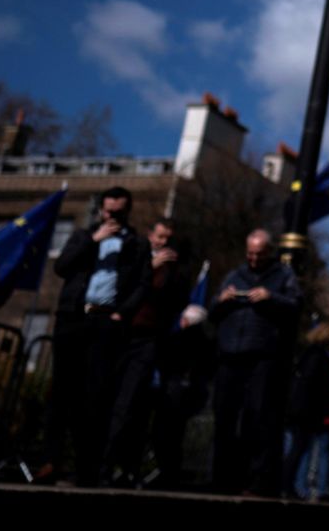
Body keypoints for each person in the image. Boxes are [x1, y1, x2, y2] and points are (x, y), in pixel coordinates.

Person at [44, 186, 151, 486]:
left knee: (95, 396)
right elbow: (62, 267)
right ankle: (50, 460)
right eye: (108, 211)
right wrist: (93, 241)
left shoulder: (137, 244)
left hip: (106, 322)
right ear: (100, 210)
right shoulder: (83, 236)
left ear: (127, 211)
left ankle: (85, 467)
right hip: (73, 319)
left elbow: (143, 284)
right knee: (61, 391)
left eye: (118, 212)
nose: (112, 216)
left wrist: (122, 313)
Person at [210, 229, 301, 496]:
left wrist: (270, 297)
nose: (253, 259)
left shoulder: (283, 275)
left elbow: (295, 307)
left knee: (258, 417)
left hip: (263, 355)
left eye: (259, 254)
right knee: (224, 416)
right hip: (230, 353)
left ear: (269, 252)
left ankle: (257, 480)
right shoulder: (234, 275)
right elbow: (213, 311)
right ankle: (222, 477)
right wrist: (222, 300)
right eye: (250, 253)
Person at [105, 217, 188, 485]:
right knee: (109, 398)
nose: (163, 243)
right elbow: (121, 287)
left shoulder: (175, 271)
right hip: (122, 334)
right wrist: (149, 269)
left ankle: (122, 466)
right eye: (159, 237)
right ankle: (102, 462)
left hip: (149, 340)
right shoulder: (135, 258)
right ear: (150, 235)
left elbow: (176, 301)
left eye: (168, 239)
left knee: (131, 404)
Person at [147, 303, 216, 490]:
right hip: (192, 396)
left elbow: (163, 359)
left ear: (185, 321)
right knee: (177, 435)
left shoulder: (178, 340)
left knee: (165, 434)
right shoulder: (208, 343)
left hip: (173, 394)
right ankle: (172, 474)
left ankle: (167, 474)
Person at [284, 322, 329, 500]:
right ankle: (288, 484)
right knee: (298, 448)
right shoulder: (318, 356)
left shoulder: (309, 354)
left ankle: (291, 484)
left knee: (298, 448)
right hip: (306, 410)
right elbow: (316, 385)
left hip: (301, 408)